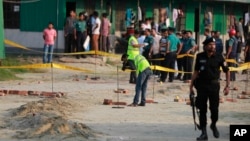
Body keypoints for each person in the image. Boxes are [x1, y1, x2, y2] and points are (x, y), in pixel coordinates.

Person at [190, 37, 230, 141]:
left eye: (214, 44)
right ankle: (204, 133)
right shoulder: (199, 56)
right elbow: (196, 72)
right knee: (202, 109)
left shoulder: (219, 57)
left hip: (214, 86)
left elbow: (227, 71)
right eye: (211, 44)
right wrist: (190, 87)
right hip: (201, 86)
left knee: (214, 109)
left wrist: (227, 86)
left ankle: (213, 124)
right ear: (206, 46)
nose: (213, 46)